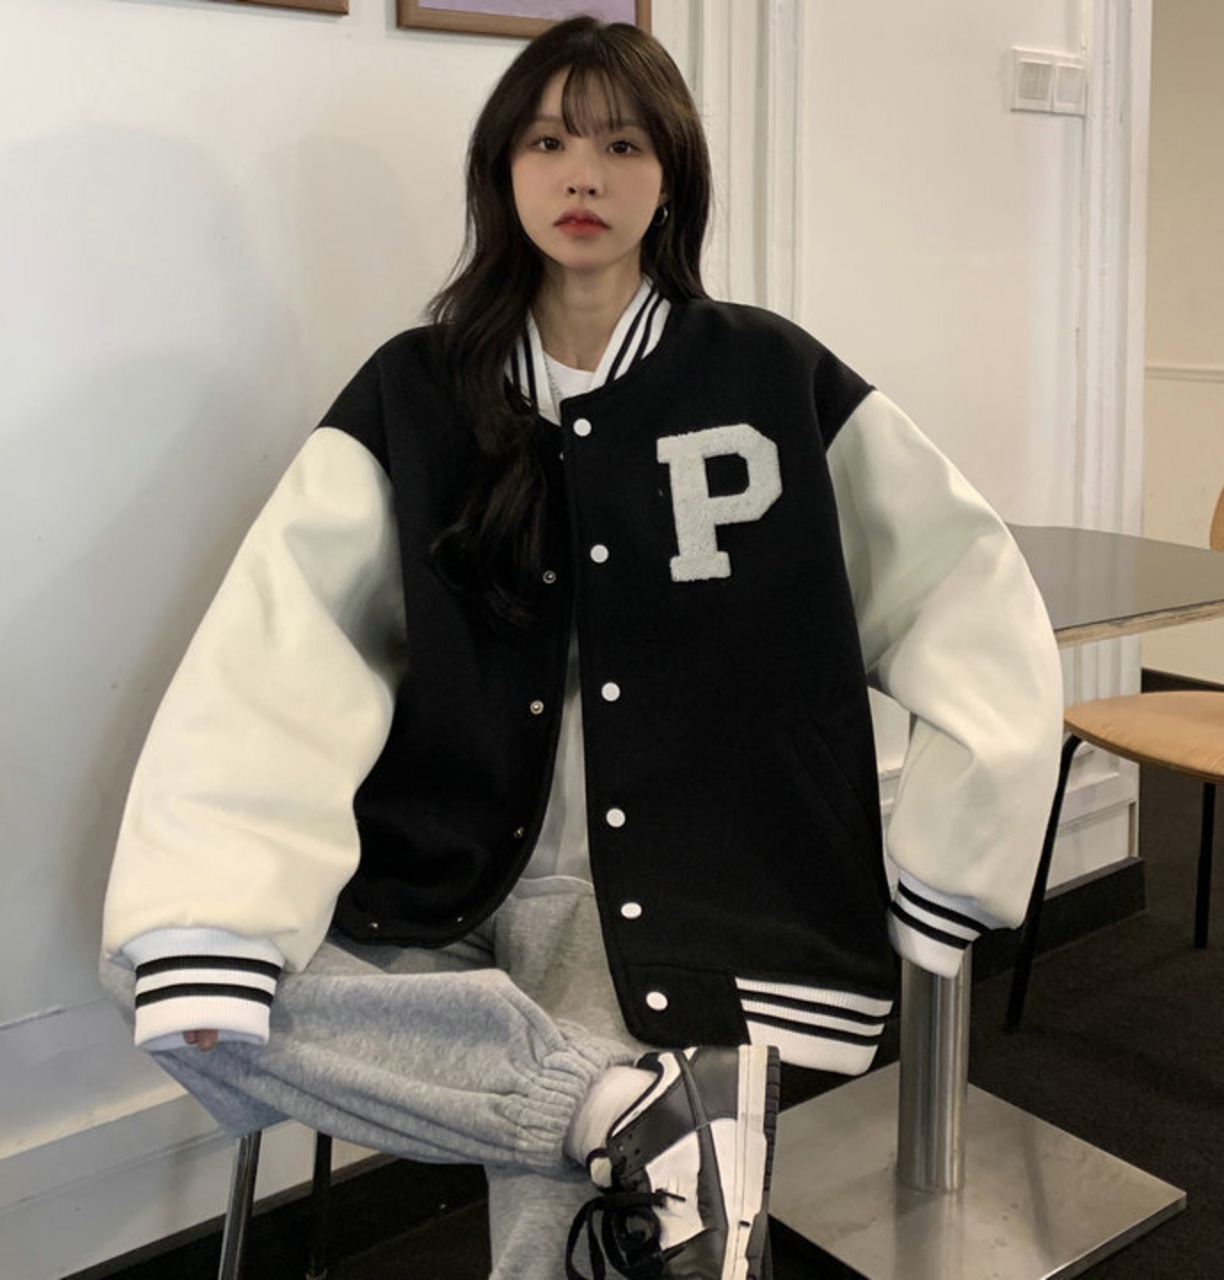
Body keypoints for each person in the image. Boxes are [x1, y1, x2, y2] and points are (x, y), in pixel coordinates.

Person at [100, 16, 1063, 1280]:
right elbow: (283, 649)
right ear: (501, 168)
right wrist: (218, 891)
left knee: (560, 1227)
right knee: (191, 986)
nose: (583, 176)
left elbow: (962, 586)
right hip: (440, 869)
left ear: (671, 175)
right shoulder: (415, 390)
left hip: (682, 880)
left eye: (621, 144)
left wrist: (952, 859)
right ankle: (622, 1112)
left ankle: (613, 1119)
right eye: (548, 142)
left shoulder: (768, 378)